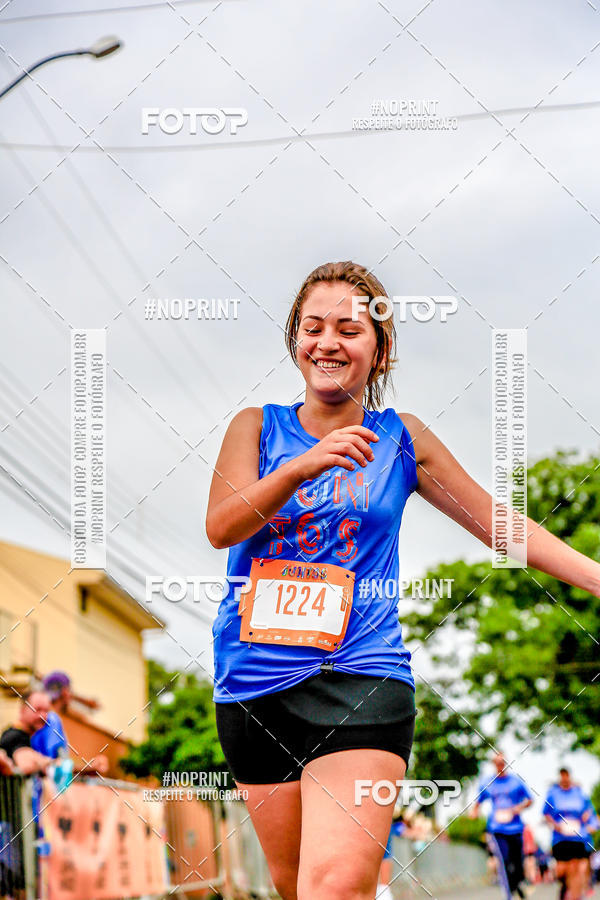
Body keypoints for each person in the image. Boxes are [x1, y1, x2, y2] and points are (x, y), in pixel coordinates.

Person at [205, 261, 600, 900]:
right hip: (251, 684)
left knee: (332, 887)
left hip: (363, 677)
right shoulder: (255, 426)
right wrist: (300, 467)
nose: (328, 342)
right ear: (295, 341)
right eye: (313, 327)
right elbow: (221, 526)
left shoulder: (401, 438)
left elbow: (500, 524)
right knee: (290, 885)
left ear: (380, 350)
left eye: (349, 329)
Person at [470, 752, 533, 898]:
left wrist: (518, 808)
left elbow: (529, 800)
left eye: (502, 762)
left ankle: (516, 883)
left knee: (517, 862)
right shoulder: (488, 782)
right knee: (504, 860)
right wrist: (474, 812)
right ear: (494, 764)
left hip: (515, 828)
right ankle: (509, 891)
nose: (500, 765)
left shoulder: (516, 782)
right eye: (497, 763)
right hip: (497, 829)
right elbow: (478, 801)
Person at [543, 767, 597, 900]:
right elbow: (546, 814)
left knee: (576, 868)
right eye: (562, 776)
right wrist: (555, 825)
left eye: (566, 776)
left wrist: (588, 821)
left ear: (569, 777)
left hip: (577, 839)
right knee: (562, 870)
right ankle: (565, 887)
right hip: (560, 839)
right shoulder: (553, 794)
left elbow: (589, 812)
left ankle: (575, 896)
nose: (565, 778)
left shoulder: (579, 795)